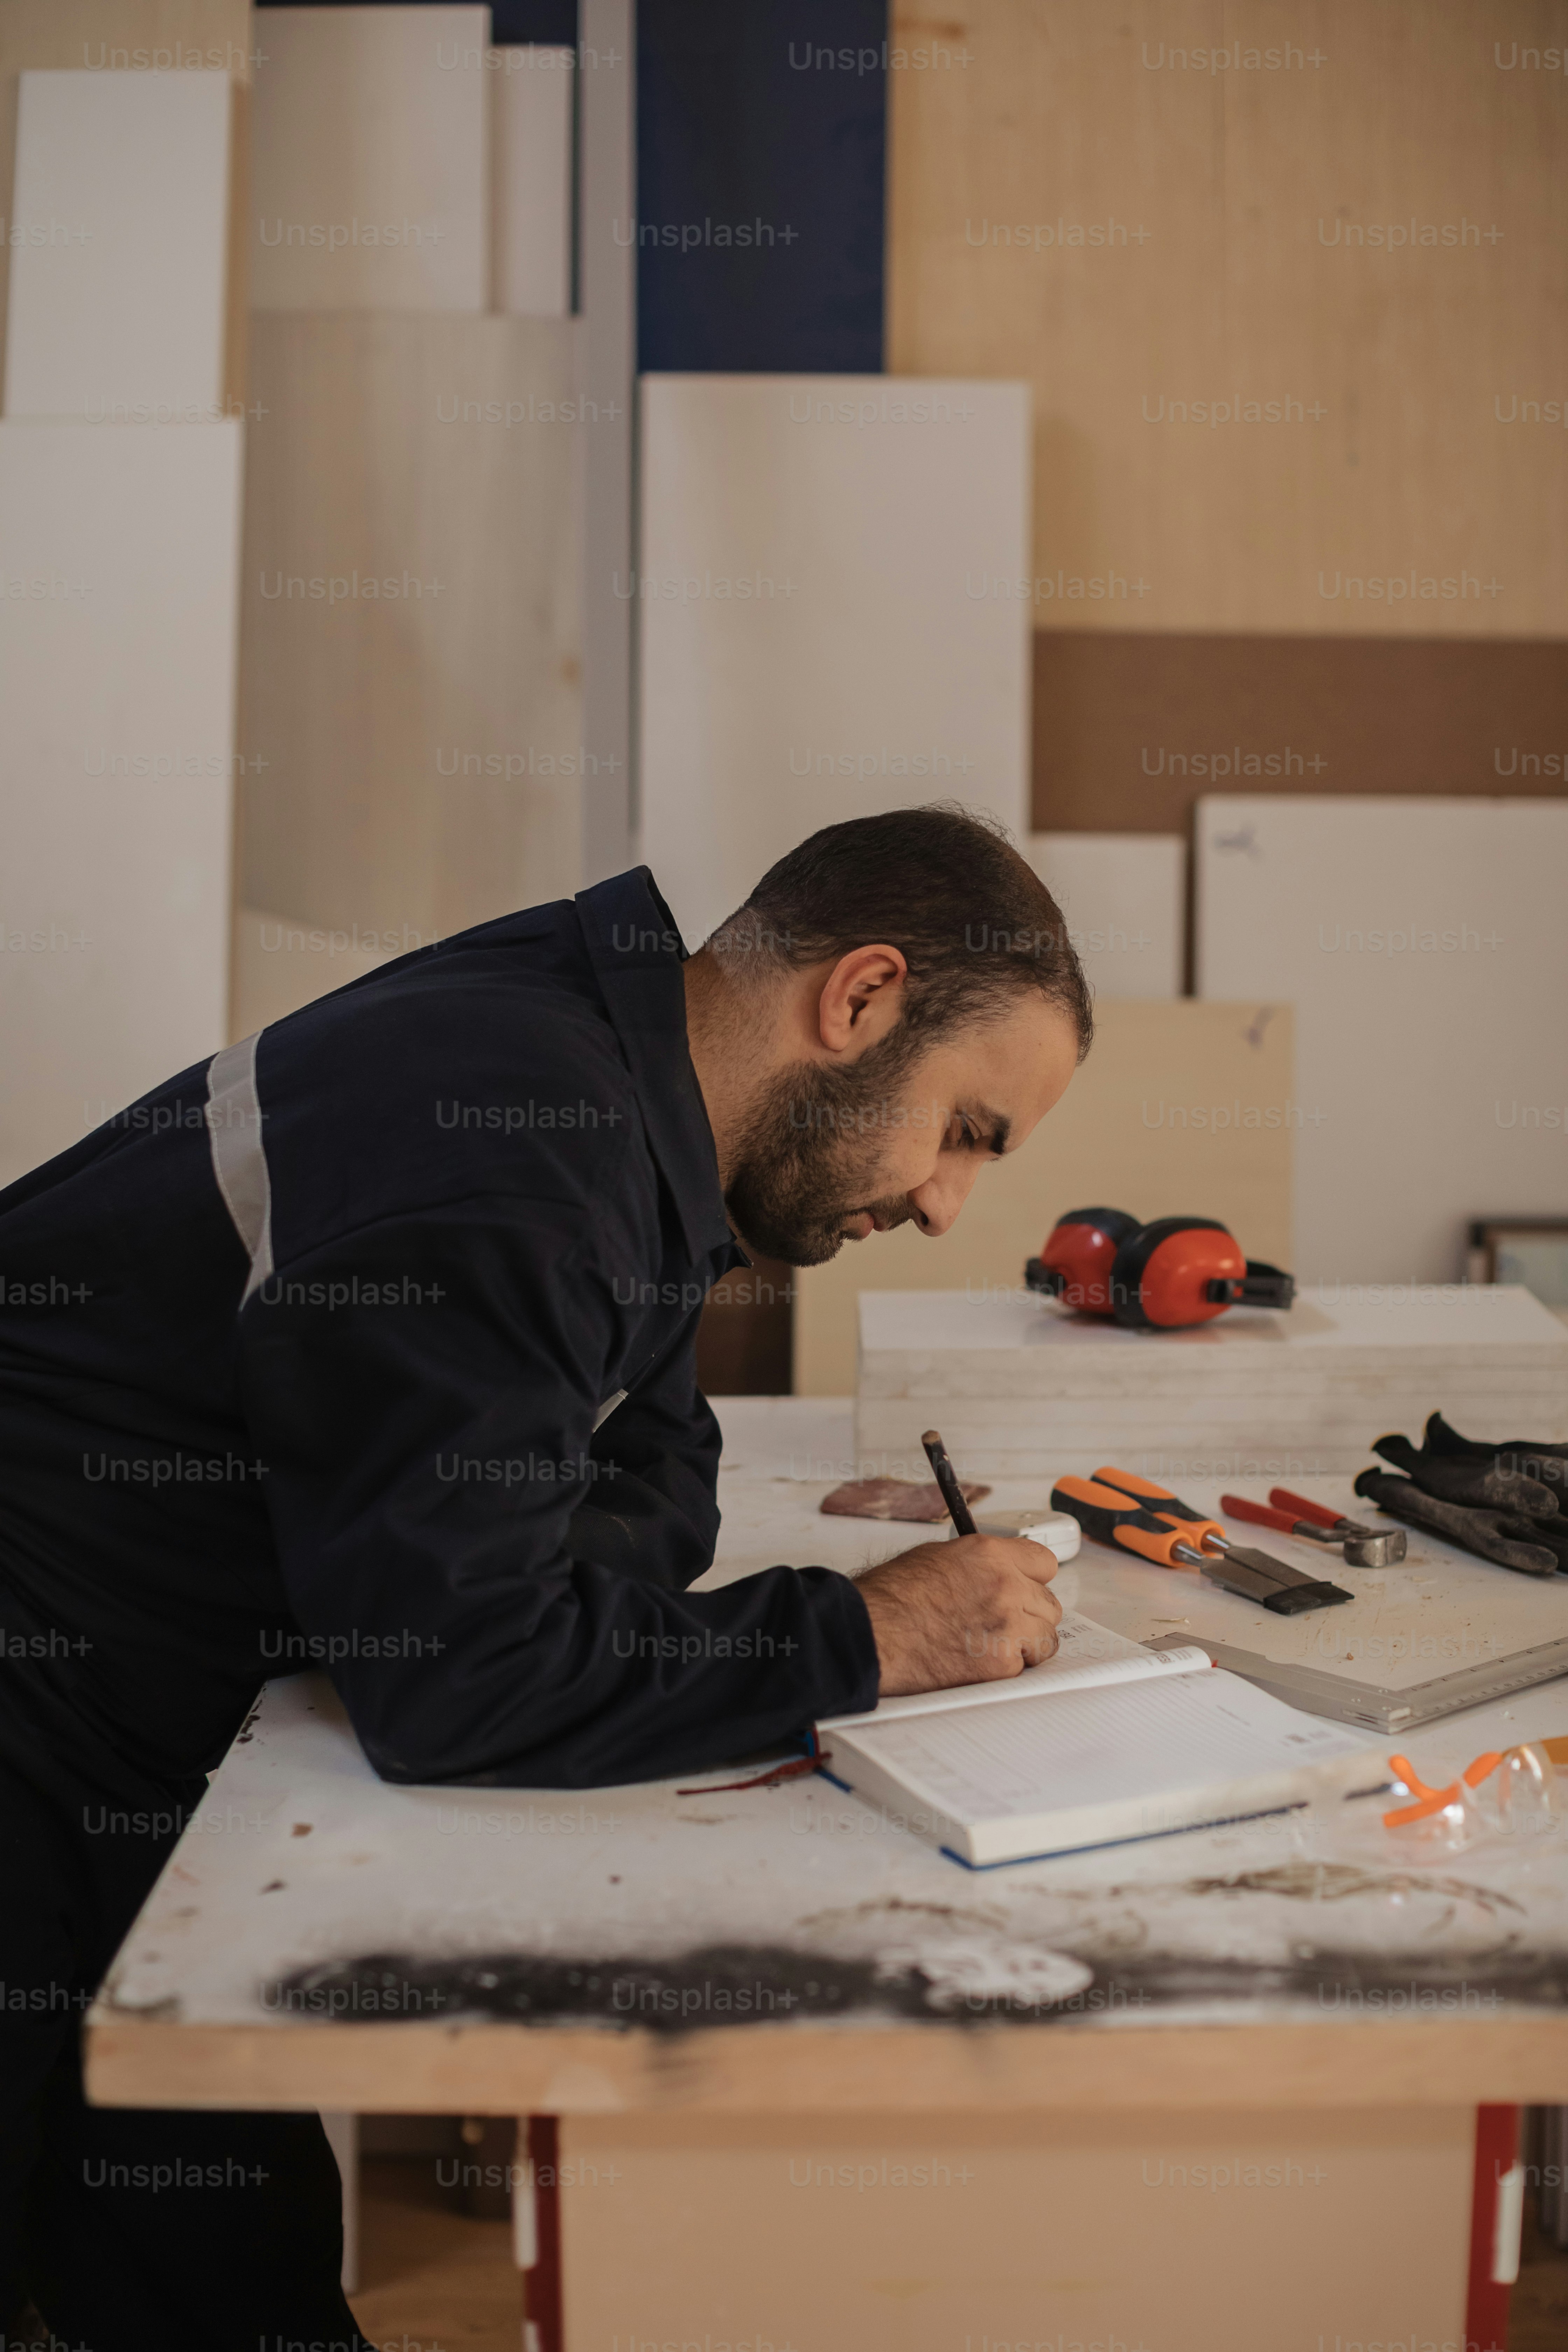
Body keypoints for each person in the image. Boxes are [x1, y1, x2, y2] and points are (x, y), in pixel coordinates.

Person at [0, 804, 1090, 2347]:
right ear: (860, 998)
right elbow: (464, 1683)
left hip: (130, 1704)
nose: (943, 1202)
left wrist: (526, 1594)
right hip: (44, 1697)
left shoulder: (603, 1060)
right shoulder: (521, 1151)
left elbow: (662, 1471)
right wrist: (863, 1632)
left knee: (219, 2271)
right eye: (969, 1130)